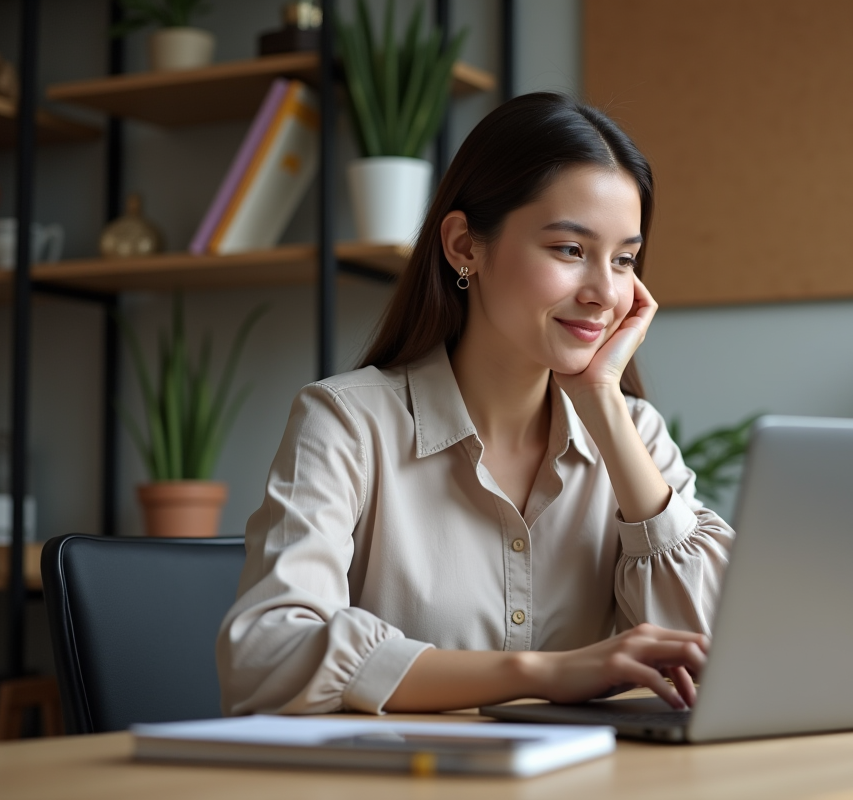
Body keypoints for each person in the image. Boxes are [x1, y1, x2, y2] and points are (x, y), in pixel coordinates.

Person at [216, 93, 734, 716]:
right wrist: (539, 672)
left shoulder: (634, 434)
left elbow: (717, 653)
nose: (604, 293)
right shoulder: (347, 424)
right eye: (570, 250)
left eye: (624, 260)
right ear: (465, 245)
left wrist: (602, 403)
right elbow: (266, 655)